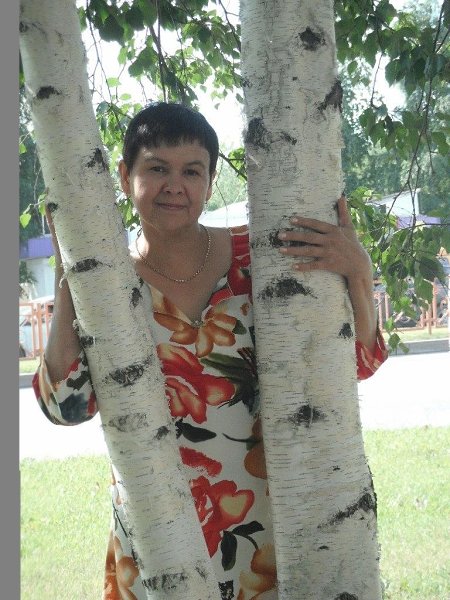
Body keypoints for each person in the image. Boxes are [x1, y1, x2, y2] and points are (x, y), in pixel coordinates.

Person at [32, 102, 388, 600]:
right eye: (157, 168)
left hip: (265, 531)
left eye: (192, 171)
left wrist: (359, 272)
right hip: (155, 542)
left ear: (210, 180)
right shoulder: (108, 284)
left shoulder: (260, 257)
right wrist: (72, 275)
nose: (174, 185)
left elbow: (356, 365)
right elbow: (65, 407)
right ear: (125, 176)